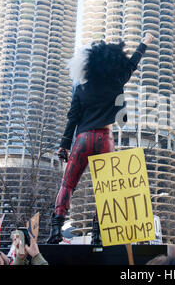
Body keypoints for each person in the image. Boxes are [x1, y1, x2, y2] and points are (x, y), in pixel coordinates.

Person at [47, 32, 154, 245]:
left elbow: (72, 118)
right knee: (106, 190)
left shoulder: (81, 89)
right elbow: (132, 64)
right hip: (105, 139)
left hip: (82, 139)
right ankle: (98, 235)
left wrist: (63, 146)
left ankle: (56, 230)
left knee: (67, 184)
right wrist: (144, 43)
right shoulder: (116, 82)